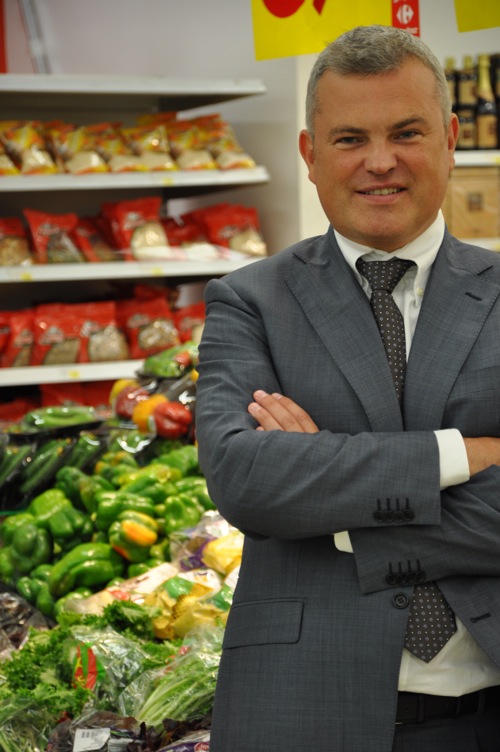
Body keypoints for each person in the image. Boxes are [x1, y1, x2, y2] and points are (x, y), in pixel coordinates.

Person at [195, 24, 500, 752]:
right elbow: (244, 479)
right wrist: (461, 455)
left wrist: (327, 500)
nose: (380, 161)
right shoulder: (248, 301)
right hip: (303, 709)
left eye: (406, 133)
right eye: (350, 139)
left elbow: (284, 487)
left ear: (451, 138)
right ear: (309, 154)